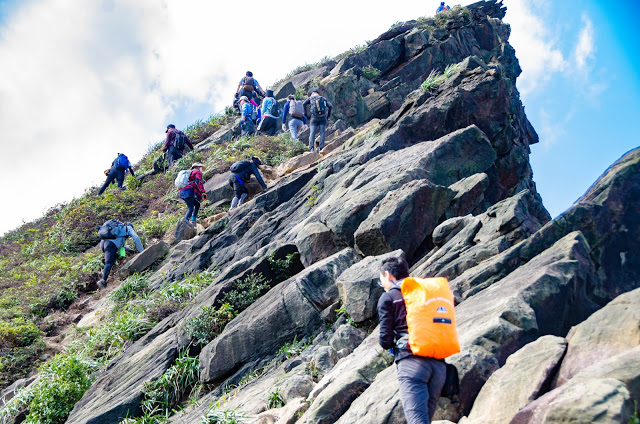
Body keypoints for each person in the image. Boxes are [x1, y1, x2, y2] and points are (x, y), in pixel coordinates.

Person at [377, 256, 446, 424]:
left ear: (388, 275)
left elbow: (385, 339)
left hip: (412, 364)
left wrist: (395, 345)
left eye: (381, 280)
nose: (382, 284)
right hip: (438, 365)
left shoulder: (389, 297)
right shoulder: (426, 292)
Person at [97, 222, 143, 290]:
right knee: (109, 263)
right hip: (110, 244)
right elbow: (136, 238)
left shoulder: (117, 230)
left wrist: (131, 250)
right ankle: (103, 281)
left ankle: (110, 274)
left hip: (103, 244)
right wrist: (142, 251)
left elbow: (121, 246)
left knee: (112, 258)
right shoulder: (128, 228)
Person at [303, 88, 333, 152]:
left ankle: (311, 148)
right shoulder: (323, 98)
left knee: (312, 133)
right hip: (323, 117)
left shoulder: (310, 98)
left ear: (311, 94)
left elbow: (304, 104)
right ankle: (321, 148)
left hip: (314, 118)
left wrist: (306, 115)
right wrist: (327, 116)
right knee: (322, 133)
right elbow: (330, 106)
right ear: (318, 93)